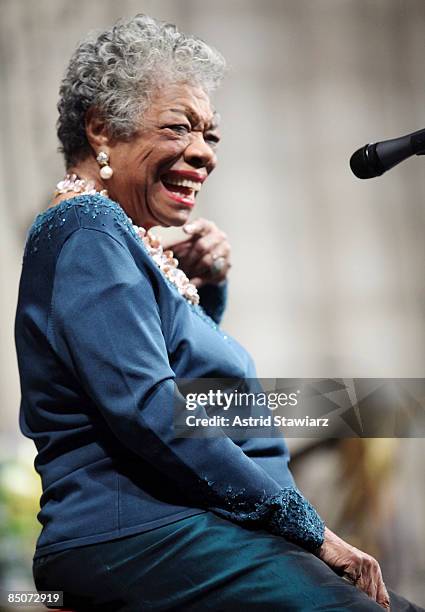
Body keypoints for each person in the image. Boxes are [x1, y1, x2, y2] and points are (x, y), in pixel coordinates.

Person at [14, 14, 423, 612]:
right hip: (138, 535)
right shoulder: (87, 229)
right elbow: (155, 410)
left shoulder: (119, 238)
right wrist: (312, 530)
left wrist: (204, 288)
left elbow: (193, 389)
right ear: (101, 128)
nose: (203, 154)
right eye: (180, 128)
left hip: (179, 528)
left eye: (212, 136)